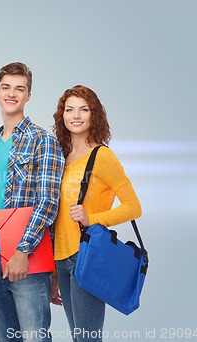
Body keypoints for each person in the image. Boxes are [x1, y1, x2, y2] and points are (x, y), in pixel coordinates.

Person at [52, 85, 142, 342]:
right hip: (61, 259)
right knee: (78, 337)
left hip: (86, 256)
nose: (76, 115)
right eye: (70, 110)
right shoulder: (62, 156)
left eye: (84, 109)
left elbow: (133, 206)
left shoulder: (102, 156)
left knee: (87, 339)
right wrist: (53, 272)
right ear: (63, 115)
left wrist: (92, 219)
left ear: (94, 115)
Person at [0, 62, 65, 342]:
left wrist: (22, 250)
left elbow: (48, 202)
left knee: (34, 338)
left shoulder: (43, 140)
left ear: (28, 96)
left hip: (27, 259)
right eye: (6, 87)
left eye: (20, 89)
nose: (11, 94)